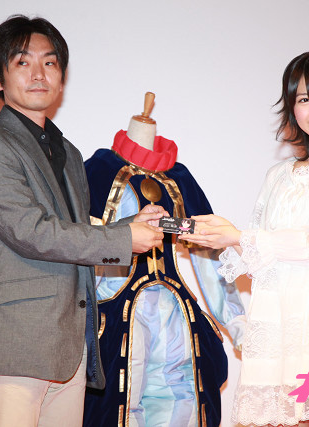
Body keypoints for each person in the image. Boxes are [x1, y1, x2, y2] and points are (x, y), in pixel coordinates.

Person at [0, 15, 165, 427]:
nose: (39, 74)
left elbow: (74, 233)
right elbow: (32, 232)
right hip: (13, 347)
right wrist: (124, 238)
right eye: (22, 62)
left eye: (50, 63)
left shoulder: (68, 153)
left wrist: (130, 224)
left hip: (70, 349)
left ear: (61, 77)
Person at [180, 49, 309, 426]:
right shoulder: (278, 175)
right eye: (304, 99)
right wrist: (216, 234)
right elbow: (255, 257)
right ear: (293, 108)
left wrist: (237, 236)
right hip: (277, 338)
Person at [82, 95, 246, 427]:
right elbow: (81, 246)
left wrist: (236, 321)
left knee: (182, 400)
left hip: (174, 313)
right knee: (120, 401)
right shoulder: (97, 170)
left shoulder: (179, 178)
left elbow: (208, 250)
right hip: (118, 309)